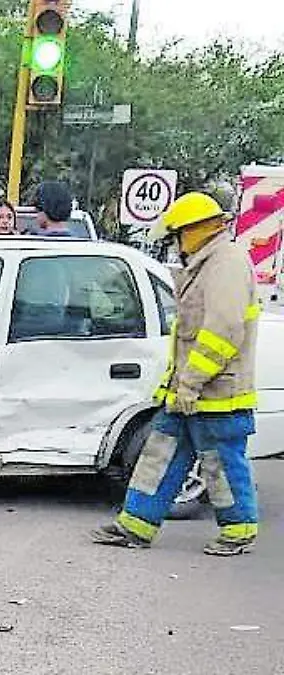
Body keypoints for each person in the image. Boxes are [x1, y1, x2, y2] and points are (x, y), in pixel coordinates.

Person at [92, 192, 260, 557]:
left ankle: (239, 530)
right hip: (187, 392)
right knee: (159, 455)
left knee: (221, 464)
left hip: (218, 395)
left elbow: (223, 330)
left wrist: (192, 382)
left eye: (177, 235)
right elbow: (187, 336)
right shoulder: (204, 262)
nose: (175, 244)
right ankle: (135, 524)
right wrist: (176, 385)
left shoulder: (226, 264)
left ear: (194, 230)